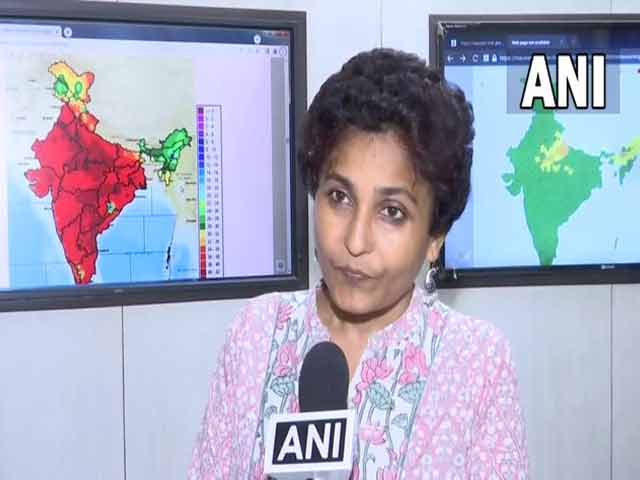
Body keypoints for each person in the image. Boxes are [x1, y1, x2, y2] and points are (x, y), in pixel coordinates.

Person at [188, 48, 529, 479]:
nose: (355, 241)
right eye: (339, 197)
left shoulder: (478, 361)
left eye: (392, 212)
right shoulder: (254, 333)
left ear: (435, 237)